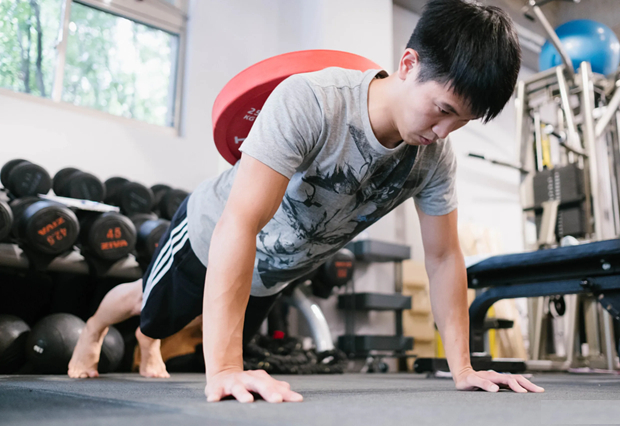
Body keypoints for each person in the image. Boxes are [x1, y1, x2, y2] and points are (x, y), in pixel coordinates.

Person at [68, 0, 544, 402]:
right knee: (147, 305)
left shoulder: (434, 160)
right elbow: (240, 223)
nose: (443, 132)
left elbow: (443, 258)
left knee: (191, 337)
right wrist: (226, 370)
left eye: (460, 122)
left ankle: (151, 340)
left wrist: (463, 368)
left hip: (272, 275)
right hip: (209, 235)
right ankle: (95, 329)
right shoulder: (312, 103)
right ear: (408, 65)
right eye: (442, 110)